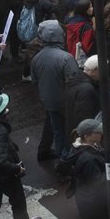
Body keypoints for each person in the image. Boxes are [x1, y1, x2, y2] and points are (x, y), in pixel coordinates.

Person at [30, 20, 82, 161]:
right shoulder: (66, 58)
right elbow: (75, 82)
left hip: (49, 102)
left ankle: (62, 159)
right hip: (67, 103)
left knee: (58, 131)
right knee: (72, 131)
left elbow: (34, 81)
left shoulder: (36, 59)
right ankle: (71, 158)